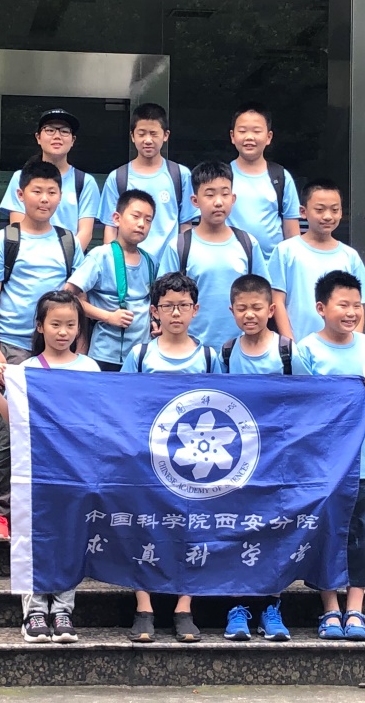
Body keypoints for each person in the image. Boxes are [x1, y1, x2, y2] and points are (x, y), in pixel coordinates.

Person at [0, 160, 85, 544]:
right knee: (15, 425)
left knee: (56, 429)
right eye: (37, 191)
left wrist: (79, 349)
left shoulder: (68, 242)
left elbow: (77, 297)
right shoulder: (4, 240)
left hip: (56, 350)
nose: (44, 198)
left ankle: (47, 508)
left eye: (52, 192)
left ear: (61, 197)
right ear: (21, 195)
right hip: (13, 346)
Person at [0, 290, 99, 644]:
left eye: (71, 325)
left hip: (75, 471)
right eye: (55, 324)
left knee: (71, 537)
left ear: (79, 328)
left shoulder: (90, 369)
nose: (63, 332)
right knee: (33, 536)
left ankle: (63, 609)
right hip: (35, 471)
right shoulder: (26, 371)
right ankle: (34, 611)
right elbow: (15, 422)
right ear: (39, 326)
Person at [291, 270, 365, 642]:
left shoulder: (363, 344)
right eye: (343, 305)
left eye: (357, 306)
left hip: (364, 459)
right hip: (323, 462)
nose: (351, 312)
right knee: (327, 533)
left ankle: (356, 610)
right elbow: (303, 403)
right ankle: (330, 608)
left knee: (364, 534)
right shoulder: (305, 350)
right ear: (321, 308)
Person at [120, 271, 221, 644]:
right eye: (168, 305)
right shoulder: (140, 355)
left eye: (183, 305)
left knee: (193, 529)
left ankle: (184, 607)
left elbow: (224, 405)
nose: (175, 313)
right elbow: (122, 404)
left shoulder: (209, 357)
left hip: (195, 462)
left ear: (196, 309)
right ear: (154, 311)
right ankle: (143, 607)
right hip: (147, 459)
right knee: (142, 527)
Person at [218, 273, 293, 643]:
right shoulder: (226, 352)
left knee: (275, 533)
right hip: (237, 462)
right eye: (242, 308)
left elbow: (310, 397)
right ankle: (238, 608)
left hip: (278, 460)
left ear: (271, 309)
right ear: (231, 311)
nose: (249, 314)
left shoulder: (288, 351)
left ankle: (271, 607)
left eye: (257, 307)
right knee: (236, 530)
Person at [160, 160, 269, 350]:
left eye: (225, 194)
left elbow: (264, 294)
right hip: (192, 350)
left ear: (233, 198)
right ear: (195, 201)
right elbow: (164, 299)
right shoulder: (179, 246)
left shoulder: (247, 244)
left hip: (241, 349)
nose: (218, 202)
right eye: (210, 195)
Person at [269, 178, 365, 342]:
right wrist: (289, 343)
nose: (328, 216)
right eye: (319, 210)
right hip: (298, 345)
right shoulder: (286, 251)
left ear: (341, 212)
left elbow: (358, 304)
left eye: (334, 210)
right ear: (303, 212)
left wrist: (355, 343)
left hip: (341, 349)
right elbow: (277, 300)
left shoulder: (350, 256)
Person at [66, 189, 158, 371]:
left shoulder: (151, 261)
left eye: (148, 220)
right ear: (117, 218)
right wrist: (108, 316)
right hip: (105, 354)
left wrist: (155, 322)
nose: (141, 224)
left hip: (141, 355)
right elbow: (67, 297)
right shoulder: (101, 256)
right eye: (136, 216)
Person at [100, 103, 194, 264]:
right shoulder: (118, 177)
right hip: (129, 267)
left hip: (170, 266)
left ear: (166, 135)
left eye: (154, 133)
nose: (148, 140)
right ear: (132, 136)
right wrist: (112, 265)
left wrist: (184, 263)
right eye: (141, 134)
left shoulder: (181, 175)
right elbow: (111, 227)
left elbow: (186, 225)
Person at [0, 108, 101, 249]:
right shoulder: (20, 178)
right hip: (28, 257)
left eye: (64, 131)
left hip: (68, 259)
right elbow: (17, 229)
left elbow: (85, 232)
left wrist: (65, 258)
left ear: (73, 140)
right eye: (50, 130)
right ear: (38, 137)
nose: (57, 136)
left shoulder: (85, 182)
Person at [227, 103, 300, 260]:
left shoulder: (281, 177)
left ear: (269, 137)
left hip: (272, 265)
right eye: (242, 131)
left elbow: (292, 232)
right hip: (231, 263)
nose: (249, 137)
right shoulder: (222, 176)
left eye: (256, 131)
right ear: (232, 136)